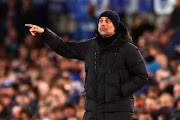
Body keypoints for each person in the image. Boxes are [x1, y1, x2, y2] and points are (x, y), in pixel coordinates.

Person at [25, 10, 148, 120]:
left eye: (107, 21)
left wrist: (121, 90)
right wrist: (45, 33)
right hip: (92, 112)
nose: (103, 24)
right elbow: (64, 48)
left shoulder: (129, 49)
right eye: (100, 21)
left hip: (118, 112)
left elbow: (141, 76)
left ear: (115, 27)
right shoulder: (90, 46)